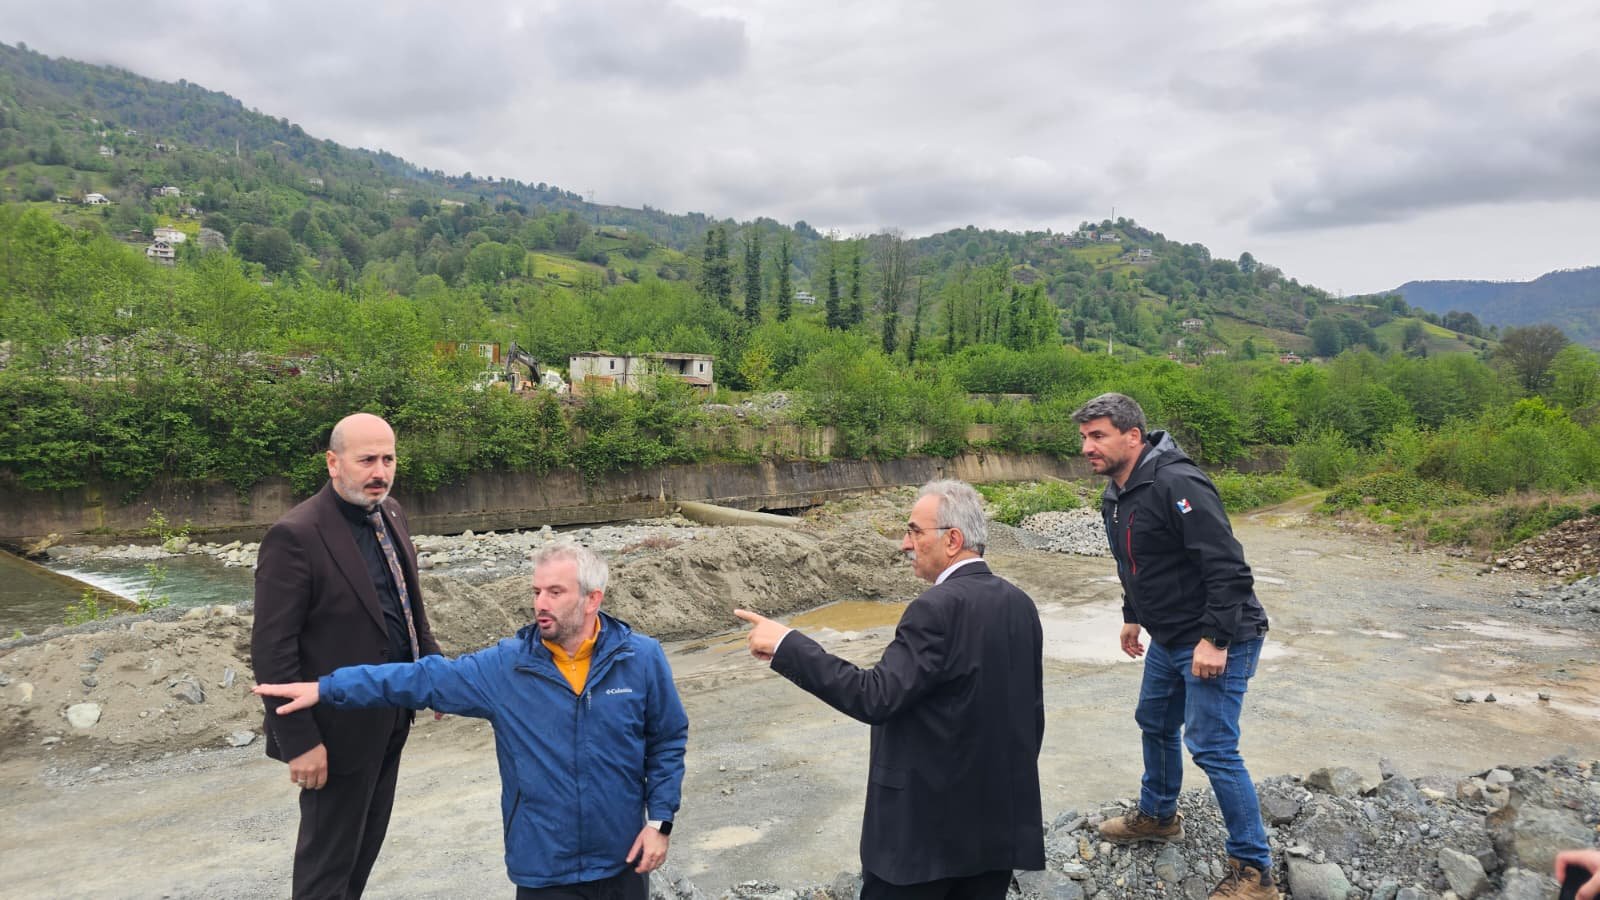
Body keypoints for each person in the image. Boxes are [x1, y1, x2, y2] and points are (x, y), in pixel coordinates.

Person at [256, 541, 689, 900]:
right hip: (545, 870)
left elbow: (667, 741)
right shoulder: (505, 669)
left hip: (624, 862)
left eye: (555, 592)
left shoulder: (641, 658)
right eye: (536, 591)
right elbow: (417, 679)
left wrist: (660, 823)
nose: (540, 603)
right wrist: (326, 688)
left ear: (592, 599)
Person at [735, 479, 1045, 900]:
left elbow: (874, 696)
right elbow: (1029, 717)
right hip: (994, 833)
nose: (904, 544)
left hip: (923, 843)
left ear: (952, 539)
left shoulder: (934, 608)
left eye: (915, 531)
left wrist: (787, 644)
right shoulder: (1019, 603)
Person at [1072, 392, 1276, 900]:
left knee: (1212, 746)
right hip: (1168, 635)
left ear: (1133, 436)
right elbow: (1136, 564)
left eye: (1097, 436)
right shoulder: (1116, 493)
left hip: (1217, 635)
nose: (1086, 448)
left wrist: (1215, 639)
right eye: (1084, 437)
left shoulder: (1176, 481)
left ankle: (1254, 873)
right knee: (1155, 722)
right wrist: (1132, 616)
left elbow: (1228, 567)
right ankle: (1159, 818)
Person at [251, 411, 444, 899]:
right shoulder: (296, 535)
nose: (380, 471)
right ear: (333, 463)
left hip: (391, 715)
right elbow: (271, 649)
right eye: (367, 460)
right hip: (333, 732)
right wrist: (298, 740)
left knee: (364, 848)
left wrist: (435, 672)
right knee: (327, 864)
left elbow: (406, 606)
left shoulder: (391, 513)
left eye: (388, 458)